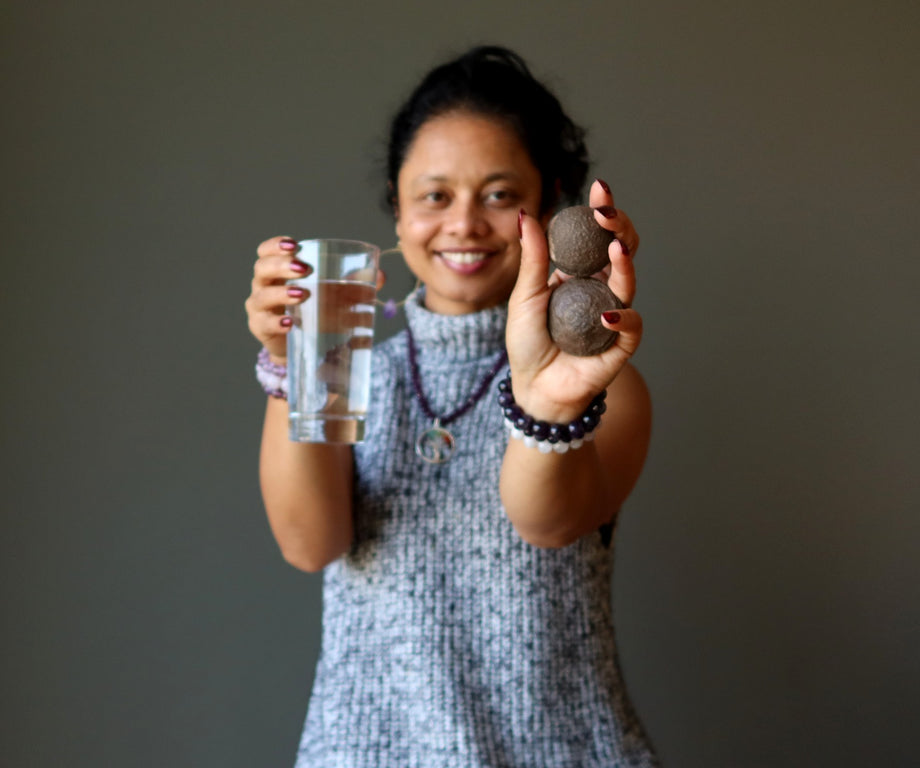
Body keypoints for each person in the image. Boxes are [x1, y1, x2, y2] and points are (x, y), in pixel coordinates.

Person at [245, 45, 658, 767]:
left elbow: (547, 521)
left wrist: (543, 403)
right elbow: (310, 543)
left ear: (550, 202)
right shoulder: (340, 364)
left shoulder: (599, 385)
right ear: (397, 211)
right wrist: (296, 360)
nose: (464, 223)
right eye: (435, 195)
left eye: (500, 194)